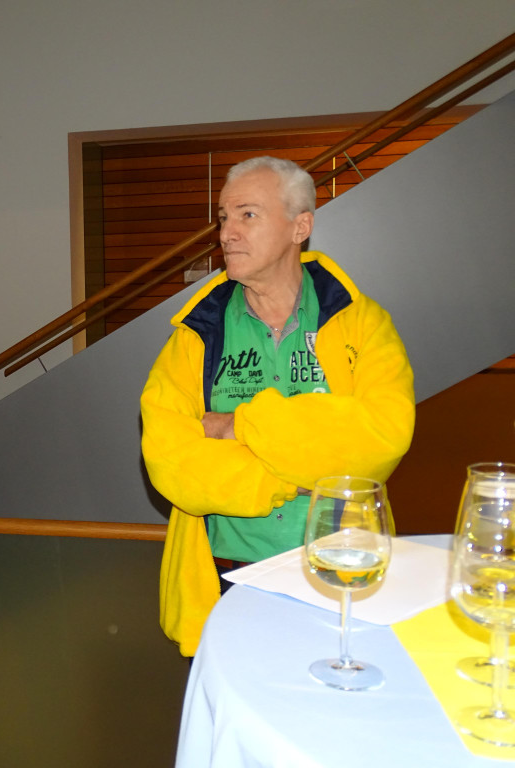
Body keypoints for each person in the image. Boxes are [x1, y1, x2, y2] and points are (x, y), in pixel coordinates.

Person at [140, 156, 415, 657]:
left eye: (247, 215)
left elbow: (382, 437)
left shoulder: (362, 324)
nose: (227, 233)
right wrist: (305, 474)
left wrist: (239, 426)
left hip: (341, 572)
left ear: (299, 227)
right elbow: (170, 462)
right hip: (227, 577)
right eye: (223, 217)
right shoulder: (195, 335)